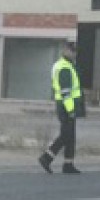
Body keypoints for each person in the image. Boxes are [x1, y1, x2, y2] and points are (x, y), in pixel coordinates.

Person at [39, 41, 83, 175]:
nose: (74, 54)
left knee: (70, 135)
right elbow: (66, 92)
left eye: (75, 51)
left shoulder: (68, 65)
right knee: (66, 135)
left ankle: (68, 164)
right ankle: (46, 157)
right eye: (72, 51)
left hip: (67, 105)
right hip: (66, 106)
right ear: (65, 51)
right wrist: (71, 110)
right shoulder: (64, 67)